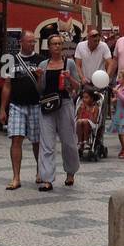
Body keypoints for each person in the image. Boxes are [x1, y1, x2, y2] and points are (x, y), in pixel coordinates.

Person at [35, 34, 81, 192]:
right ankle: (47, 179)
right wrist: (39, 78)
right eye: (54, 44)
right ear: (49, 47)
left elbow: (77, 86)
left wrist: (69, 78)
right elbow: (40, 89)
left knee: (68, 142)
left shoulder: (69, 63)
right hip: (47, 105)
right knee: (47, 143)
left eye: (59, 44)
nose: (57, 46)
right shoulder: (43, 64)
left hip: (64, 104)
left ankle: (70, 172)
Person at [0, 31, 42, 191]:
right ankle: (16, 177)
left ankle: (40, 171)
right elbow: (7, 85)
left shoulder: (41, 60)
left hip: (36, 104)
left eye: (34, 42)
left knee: (37, 141)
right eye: (29, 41)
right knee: (16, 139)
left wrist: (40, 77)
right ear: (21, 42)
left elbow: (43, 87)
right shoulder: (9, 60)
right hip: (17, 105)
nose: (32, 44)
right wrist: (2, 109)